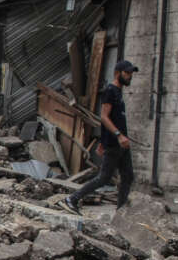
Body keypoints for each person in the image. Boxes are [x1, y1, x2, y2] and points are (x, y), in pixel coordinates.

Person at [57, 60, 138, 214]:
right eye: (127, 73)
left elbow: (112, 119)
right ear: (117, 73)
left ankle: (120, 212)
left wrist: (103, 140)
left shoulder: (118, 92)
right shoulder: (110, 91)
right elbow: (104, 117)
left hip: (120, 143)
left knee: (128, 176)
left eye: (131, 73)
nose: (130, 76)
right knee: (104, 178)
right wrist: (118, 136)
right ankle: (72, 199)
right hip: (116, 143)